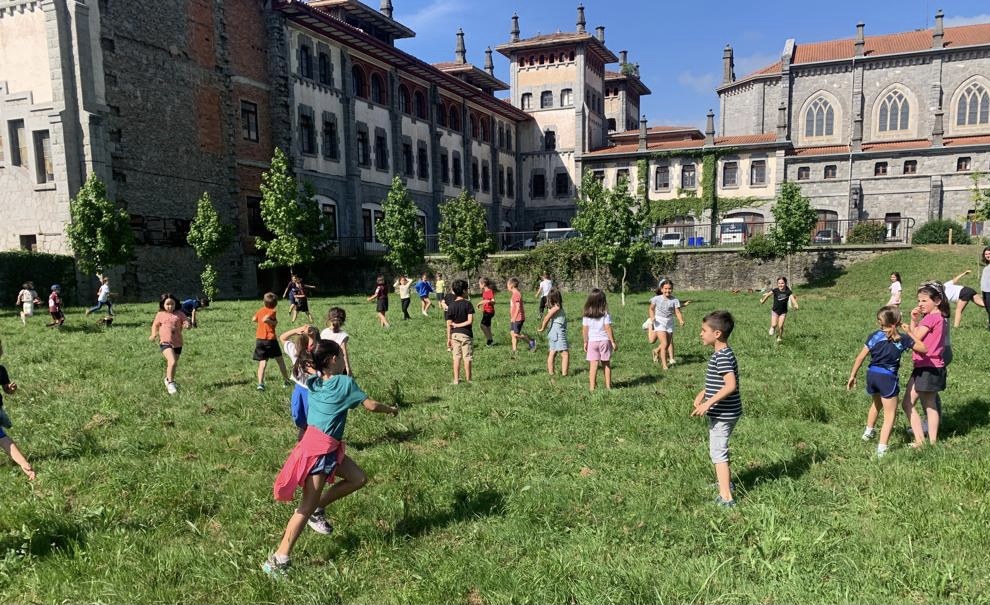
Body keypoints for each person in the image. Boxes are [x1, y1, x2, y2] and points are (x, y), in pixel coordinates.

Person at [262, 339, 398, 577]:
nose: (346, 359)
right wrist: (391, 409)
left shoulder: (314, 382)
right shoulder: (345, 383)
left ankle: (320, 508)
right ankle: (278, 559)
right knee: (304, 507)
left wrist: (313, 364)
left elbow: (314, 370)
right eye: (342, 356)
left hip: (326, 447)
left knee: (358, 478)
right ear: (334, 359)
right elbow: (371, 406)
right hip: (318, 453)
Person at [847, 306, 927, 457]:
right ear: (897, 321)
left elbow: (860, 357)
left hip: (872, 374)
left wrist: (853, 375)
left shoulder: (874, 336)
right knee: (890, 415)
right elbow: (924, 348)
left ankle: (868, 432)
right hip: (887, 378)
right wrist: (909, 332)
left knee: (876, 404)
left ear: (880, 322)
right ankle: (881, 450)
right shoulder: (903, 339)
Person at [691, 311, 741, 507]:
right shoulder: (724, 353)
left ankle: (726, 496)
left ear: (717, 333)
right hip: (725, 412)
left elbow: (730, 385)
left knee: (718, 452)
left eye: (704, 330)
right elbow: (721, 381)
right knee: (719, 450)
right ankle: (725, 483)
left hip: (724, 413)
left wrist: (708, 403)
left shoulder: (722, 357)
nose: (701, 334)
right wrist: (704, 392)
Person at [901, 282, 950, 447]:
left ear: (937, 301)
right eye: (918, 301)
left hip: (930, 366)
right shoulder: (936, 317)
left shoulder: (932, 318)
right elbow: (916, 335)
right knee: (907, 402)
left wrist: (908, 330)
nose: (920, 304)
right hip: (923, 366)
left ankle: (932, 443)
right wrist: (914, 321)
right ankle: (921, 440)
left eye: (923, 301)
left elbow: (914, 337)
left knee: (929, 405)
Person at [0, 340, 35, 481]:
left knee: (2, 438)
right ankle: (25, 465)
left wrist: (10, 389)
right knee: (2, 438)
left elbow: (6, 389)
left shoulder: (1, 370)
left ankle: (25, 465)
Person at [281, 325, 320, 441]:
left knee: (311, 417)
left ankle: (310, 436)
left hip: (313, 391)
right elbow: (282, 337)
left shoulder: (320, 354)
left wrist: (312, 335)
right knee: (298, 414)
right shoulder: (295, 352)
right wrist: (296, 330)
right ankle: (304, 429)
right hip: (300, 389)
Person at [150, 293, 188, 395]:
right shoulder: (160, 314)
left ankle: (168, 379)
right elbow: (155, 325)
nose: (170, 306)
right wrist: (154, 334)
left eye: (172, 304)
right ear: (163, 304)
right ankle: (171, 384)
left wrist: (187, 324)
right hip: (165, 343)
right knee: (172, 361)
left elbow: (186, 322)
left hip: (178, 343)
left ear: (176, 304)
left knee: (173, 365)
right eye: (167, 304)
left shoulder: (179, 314)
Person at [253, 292, 291, 391]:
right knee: (280, 360)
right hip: (270, 340)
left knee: (262, 362)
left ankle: (260, 384)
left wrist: (261, 321)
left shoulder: (261, 310)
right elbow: (266, 319)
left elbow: (254, 319)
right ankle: (286, 381)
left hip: (260, 340)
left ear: (263, 302)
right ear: (276, 304)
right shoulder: (272, 311)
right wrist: (273, 322)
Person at [582, 288, 616, 391]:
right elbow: (608, 328)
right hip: (604, 341)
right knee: (606, 364)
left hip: (592, 342)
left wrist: (585, 341)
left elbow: (584, 329)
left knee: (593, 365)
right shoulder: (605, 313)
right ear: (603, 300)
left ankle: (592, 388)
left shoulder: (586, 314)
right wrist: (613, 341)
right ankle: (608, 387)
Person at [647, 279, 685, 369]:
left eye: (670, 289)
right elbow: (651, 309)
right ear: (661, 289)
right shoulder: (656, 299)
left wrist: (681, 320)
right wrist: (652, 317)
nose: (668, 290)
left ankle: (657, 352)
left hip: (669, 322)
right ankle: (664, 366)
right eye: (666, 288)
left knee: (668, 343)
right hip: (659, 321)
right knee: (664, 344)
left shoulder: (675, 300)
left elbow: (678, 312)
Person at [445, 279, 475, 384]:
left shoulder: (451, 306)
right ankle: (469, 379)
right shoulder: (468, 304)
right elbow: (470, 321)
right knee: (467, 357)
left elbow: (449, 324)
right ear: (463, 291)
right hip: (466, 335)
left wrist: (448, 338)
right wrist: (459, 325)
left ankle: (456, 380)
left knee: (456, 357)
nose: (467, 292)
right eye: (466, 290)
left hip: (454, 335)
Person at [539, 287, 569, 376]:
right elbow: (546, 318)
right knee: (565, 353)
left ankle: (551, 373)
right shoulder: (556, 307)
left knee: (553, 351)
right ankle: (564, 374)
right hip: (558, 331)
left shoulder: (551, 306)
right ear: (558, 297)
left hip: (553, 331)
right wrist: (542, 328)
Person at [760, 276, 798, 343]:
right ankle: (772, 327)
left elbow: (792, 299)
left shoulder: (788, 291)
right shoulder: (775, 290)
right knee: (774, 324)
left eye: (782, 283)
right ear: (777, 284)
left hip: (783, 312)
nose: (781, 285)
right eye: (779, 283)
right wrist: (763, 301)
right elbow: (768, 295)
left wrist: (795, 304)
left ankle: (779, 337)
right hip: (775, 311)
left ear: (785, 283)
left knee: (780, 326)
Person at [506, 277, 536, 354]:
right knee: (512, 334)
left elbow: (518, 307)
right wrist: (512, 317)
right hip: (514, 318)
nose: (507, 287)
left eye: (507, 285)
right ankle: (514, 350)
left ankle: (531, 341)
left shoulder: (516, 294)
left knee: (515, 334)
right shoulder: (514, 294)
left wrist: (514, 317)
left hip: (518, 318)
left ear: (511, 286)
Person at [320, 307, 352, 377]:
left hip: (324, 364)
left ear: (329, 319)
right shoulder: (343, 335)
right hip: (338, 365)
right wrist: (348, 368)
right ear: (343, 321)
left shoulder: (324, 332)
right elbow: (344, 352)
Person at [476, 277, 496, 347]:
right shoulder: (484, 292)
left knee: (482, 325)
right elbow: (484, 301)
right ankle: (491, 341)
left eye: (479, 284)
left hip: (489, 312)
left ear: (483, 284)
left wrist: (487, 301)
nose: (479, 286)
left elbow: (493, 301)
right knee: (488, 326)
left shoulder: (489, 291)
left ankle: (489, 340)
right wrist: (481, 305)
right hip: (486, 311)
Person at [982, 247, 990, 330]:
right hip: (985, 290)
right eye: (986, 254)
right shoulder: (987, 265)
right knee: (988, 308)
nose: (987, 255)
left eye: (989, 253)